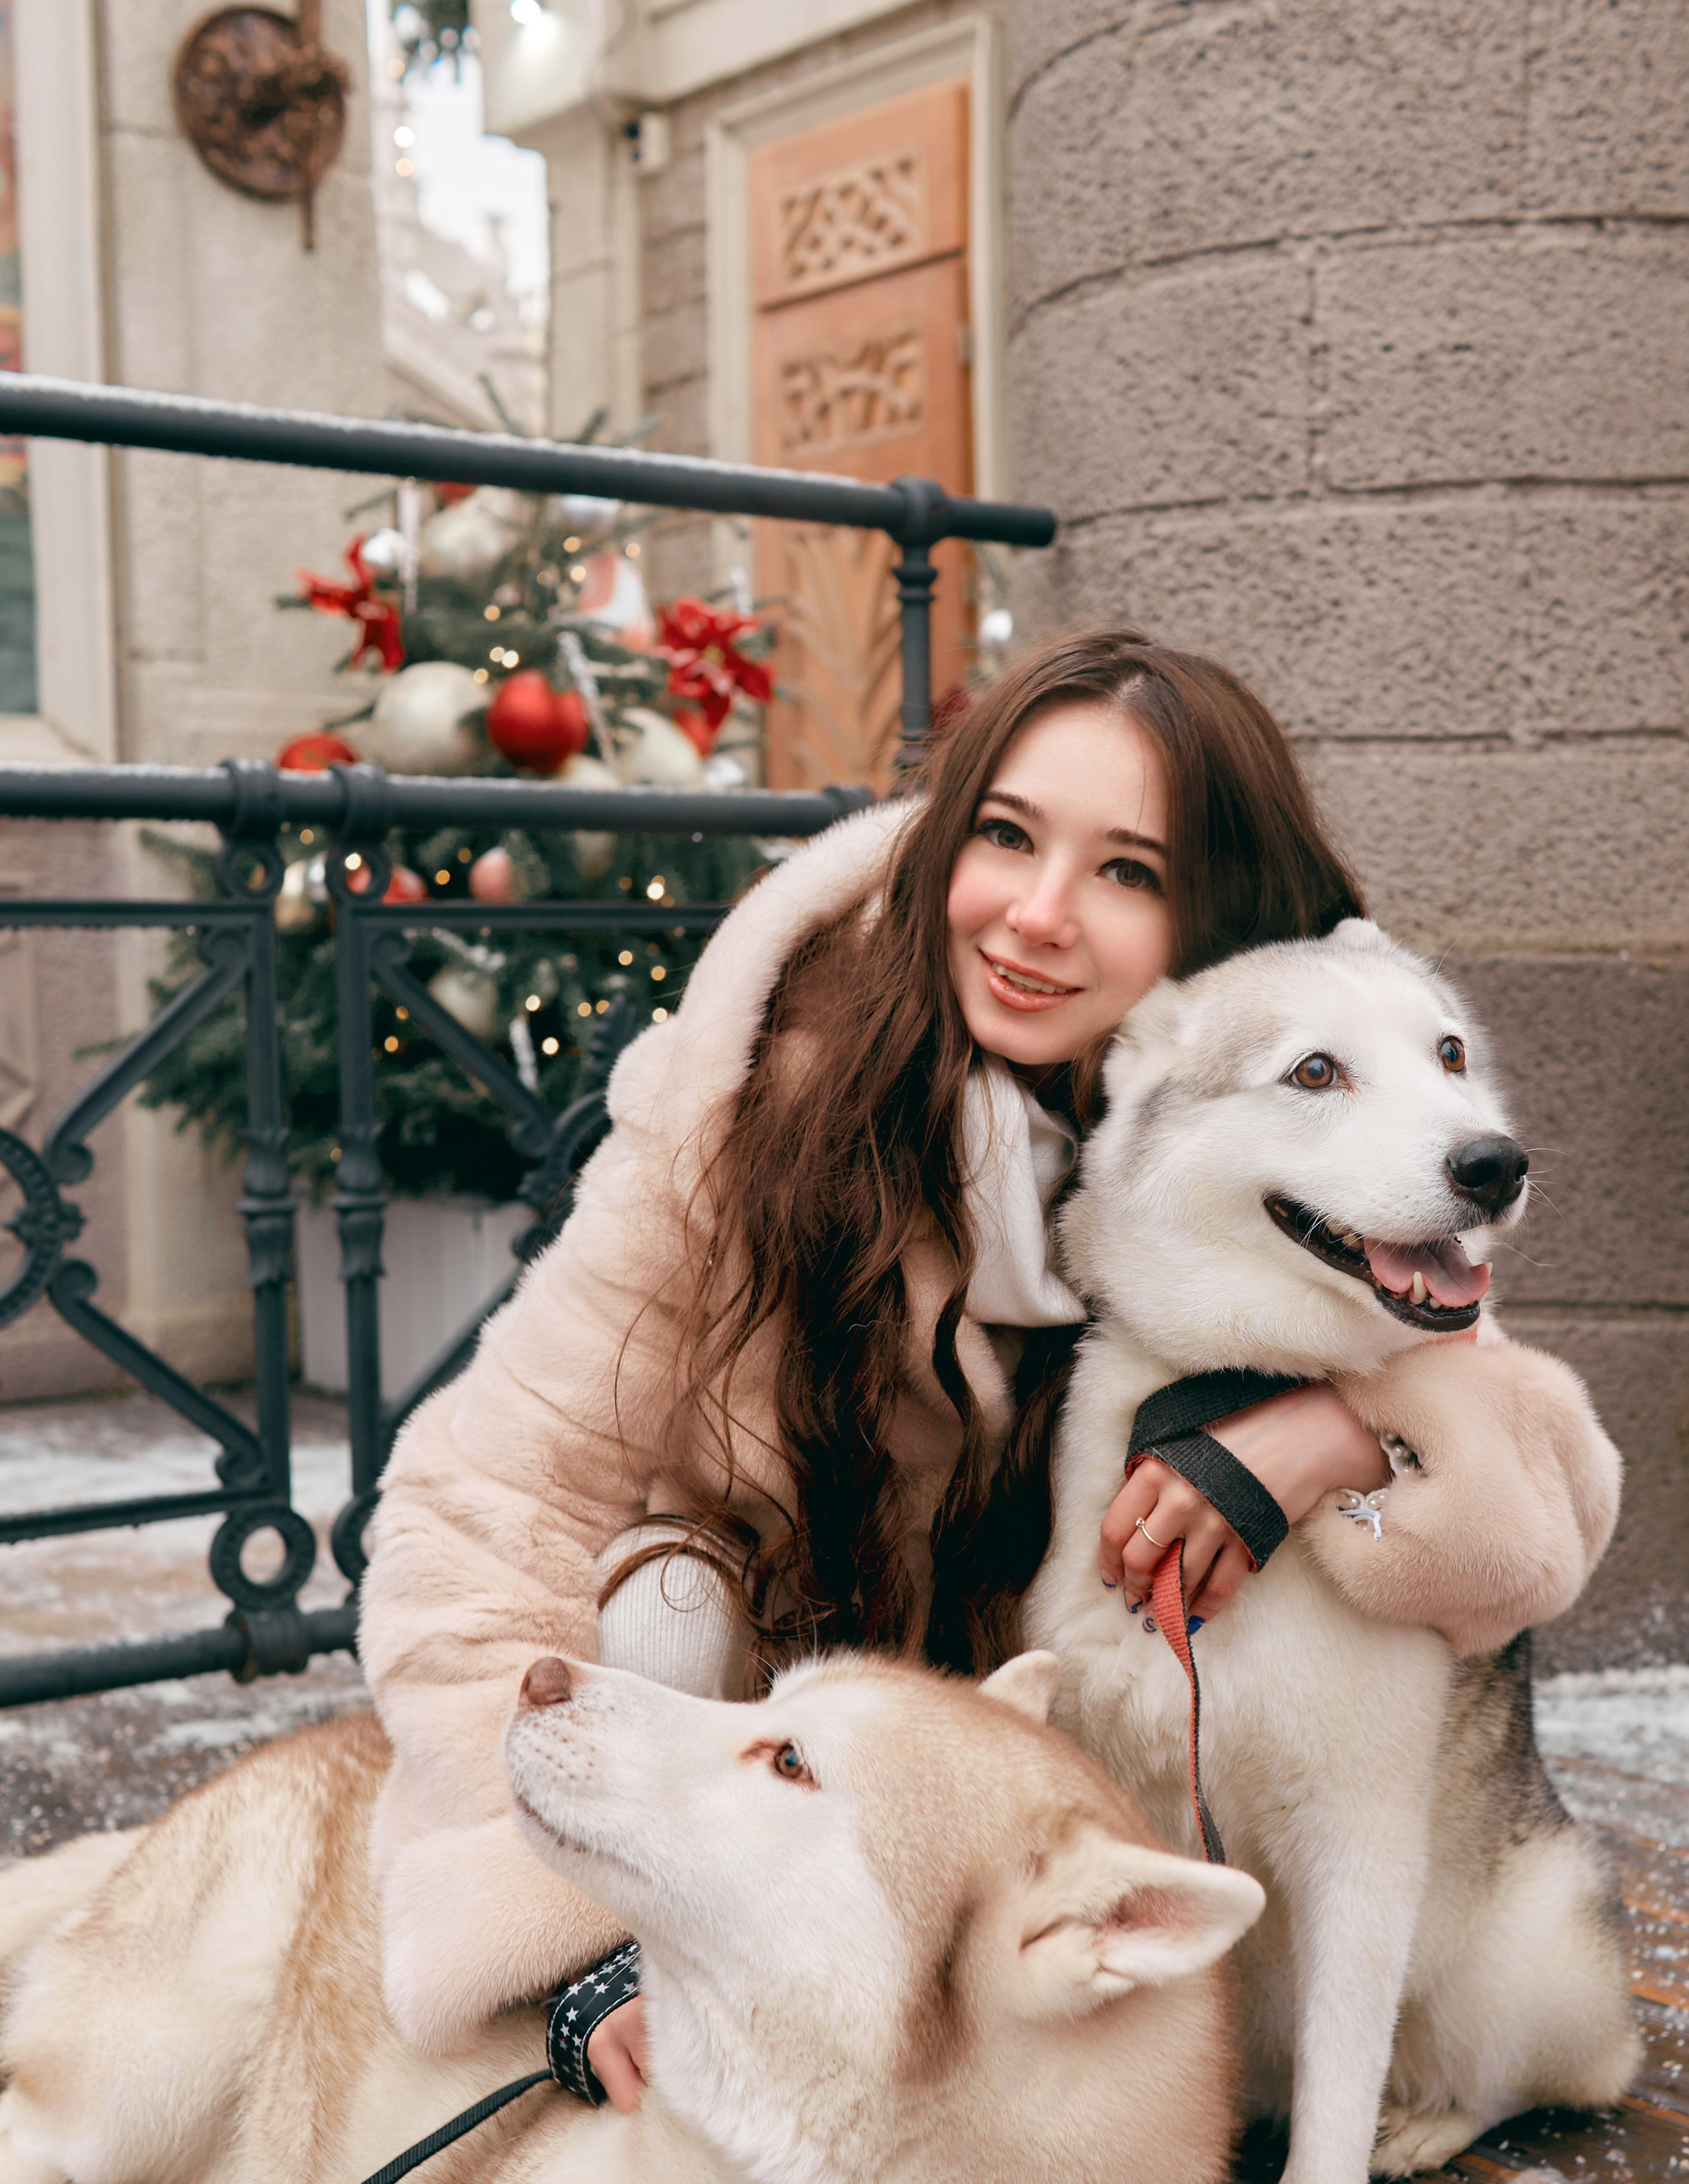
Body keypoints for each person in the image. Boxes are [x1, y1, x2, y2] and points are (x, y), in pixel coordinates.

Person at [358, 631, 1609, 2104]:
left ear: (1209, 931)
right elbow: (474, 1508)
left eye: (1126, 873)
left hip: (1031, 1856)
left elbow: (1531, 1520)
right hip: (777, 1786)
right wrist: (581, 1944)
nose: (1033, 916)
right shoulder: (754, 1105)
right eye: (1004, 836)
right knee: (667, 1599)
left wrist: (1335, 1428)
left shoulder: (1288, 1129)